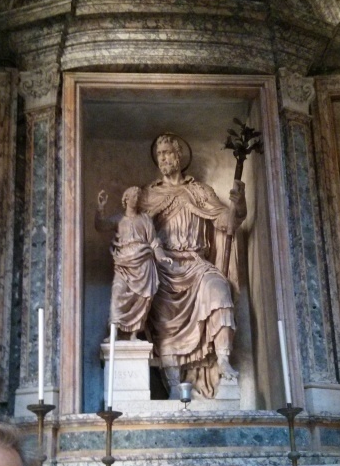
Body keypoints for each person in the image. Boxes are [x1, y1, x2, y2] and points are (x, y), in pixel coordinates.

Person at [138, 133, 247, 398]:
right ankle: (174, 383)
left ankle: (223, 359)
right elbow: (134, 229)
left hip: (197, 264)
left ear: (179, 156)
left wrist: (239, 203)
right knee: (162, 312)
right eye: (159, 154)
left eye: (168, 153)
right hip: (163, 267)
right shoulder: (149, 195)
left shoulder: (199, 191)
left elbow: (227, 222)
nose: (163, 159)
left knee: (219, 290)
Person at [96, 185, 172, 340]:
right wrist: (100, 208)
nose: (137, 199)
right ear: (126, 199)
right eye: (134, 196)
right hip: (124, 264)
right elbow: (101, 226)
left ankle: (134, 335)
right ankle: (114, 333)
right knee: (117, 293)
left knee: (141, 299)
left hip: (143, 264)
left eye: (139, 196)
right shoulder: (119, 219)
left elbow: (153, 241)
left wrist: (161, 256)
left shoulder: (145, 219)